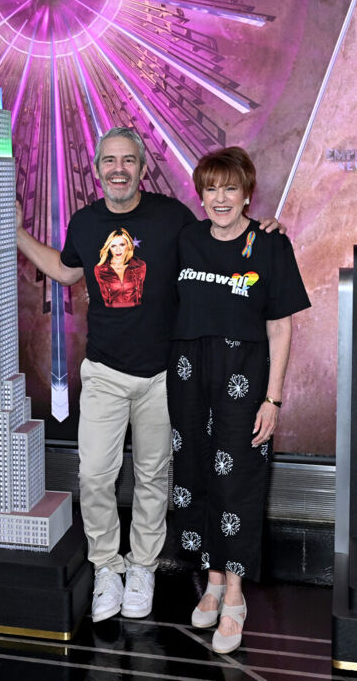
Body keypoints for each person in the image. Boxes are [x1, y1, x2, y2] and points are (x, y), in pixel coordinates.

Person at [15, 128, 281, 623]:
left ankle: (143, 567)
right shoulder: (86, 221)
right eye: (109, 161)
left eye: (128, 160)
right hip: (104, 373)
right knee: (94, 475)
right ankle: (106, 567)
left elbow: (218, 243)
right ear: (97, 169)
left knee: (154, 478)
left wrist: (260, 232)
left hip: (165, 377)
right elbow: (70, 271)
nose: (119, 169)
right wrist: (17, 232)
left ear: (142, 167)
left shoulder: (172, 218)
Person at [167, 147, 310, 653]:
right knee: (196, 477)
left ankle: (235, 593)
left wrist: (273, 400)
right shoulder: (186, 241)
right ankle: (211, 579)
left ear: (248, 193)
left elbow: (280, 328)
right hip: (188, 376)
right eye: (211, 188)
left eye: (231, 188)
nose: (220, 198)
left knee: (238, 484)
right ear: (200, 194)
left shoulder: (271, 245)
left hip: (244, 380)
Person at [93, 228, 146, 308]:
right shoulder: (100, 269)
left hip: (138, 315)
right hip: (109, 316)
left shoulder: (140, 266)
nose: (118, 250)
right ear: (109, 248)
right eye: (113, 246)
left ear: (128, 245)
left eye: (122, 245)